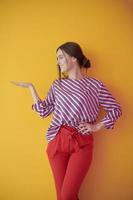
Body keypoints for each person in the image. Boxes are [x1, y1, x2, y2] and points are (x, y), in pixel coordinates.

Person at [11, 41, 122, 200]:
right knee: (61, 196)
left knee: (67, 195)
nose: (58, 62)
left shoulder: (95, 85)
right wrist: (31, 88)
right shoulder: (58, 85)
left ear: (73, 58)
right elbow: (44, 111)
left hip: (82, 141)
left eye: (61, 57)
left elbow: (115, 109)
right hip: (58, 140)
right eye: (57, 59)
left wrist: (96, 126)